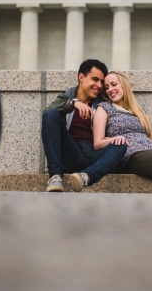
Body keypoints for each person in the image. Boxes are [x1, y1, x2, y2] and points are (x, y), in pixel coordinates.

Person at [42, 59, 127, 192]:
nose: (99, 85)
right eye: (95, 79)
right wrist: (73, 103)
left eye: (101, 82)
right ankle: (55, 176)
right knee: (51, 114)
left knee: (121, 144)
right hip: (71, 153)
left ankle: (86, 176)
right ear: (81, 77)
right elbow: (47, 114)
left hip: (95, 155)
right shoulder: (67, 97)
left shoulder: (103, 103)